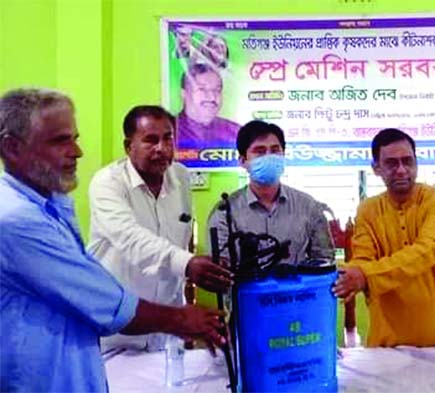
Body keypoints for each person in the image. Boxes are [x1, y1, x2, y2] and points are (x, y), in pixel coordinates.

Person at [0, 88, 225, 392]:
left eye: (168, 138)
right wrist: (181, 315)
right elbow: (126, 245)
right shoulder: (18, 217)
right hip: (116, 338)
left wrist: (183, 310)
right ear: (12, 149)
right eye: (60, 140)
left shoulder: (54, 200)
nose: (77, 151)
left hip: (148, 338)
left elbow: (180, 244)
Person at [88, 105, 233, 351]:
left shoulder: (181, 177)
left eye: (168, 138)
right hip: (115, 333)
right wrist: (188, 264)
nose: (162, 149)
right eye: (150, 140)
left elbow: (182, 243)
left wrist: (186, 315)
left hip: (167, 336)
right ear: (128, 146)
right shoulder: (107, 183)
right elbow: (131, 239)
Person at [332, 128, 435, 348]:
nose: (401, 170)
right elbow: (363, 258)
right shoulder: (368, 209)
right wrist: (350, 275)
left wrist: (365, 275)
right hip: (387, 341)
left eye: (407, 161)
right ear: (376, 168)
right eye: (391, 163)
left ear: (417, 163)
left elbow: (427, 250)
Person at [207, 120, 334, 268]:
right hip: (245, 290)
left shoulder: (309, 206)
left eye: (275, 150)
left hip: (297, 290)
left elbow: (324, 261)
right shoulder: (224, 211)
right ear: (243, 161)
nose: (269, 157)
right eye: (259, 151)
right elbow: (219, 269)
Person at [176, 63, 240, 147]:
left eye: (217, 90)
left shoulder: (235, 132)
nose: (212, 97)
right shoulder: (169, 131)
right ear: (184, 93)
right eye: (202, 89)